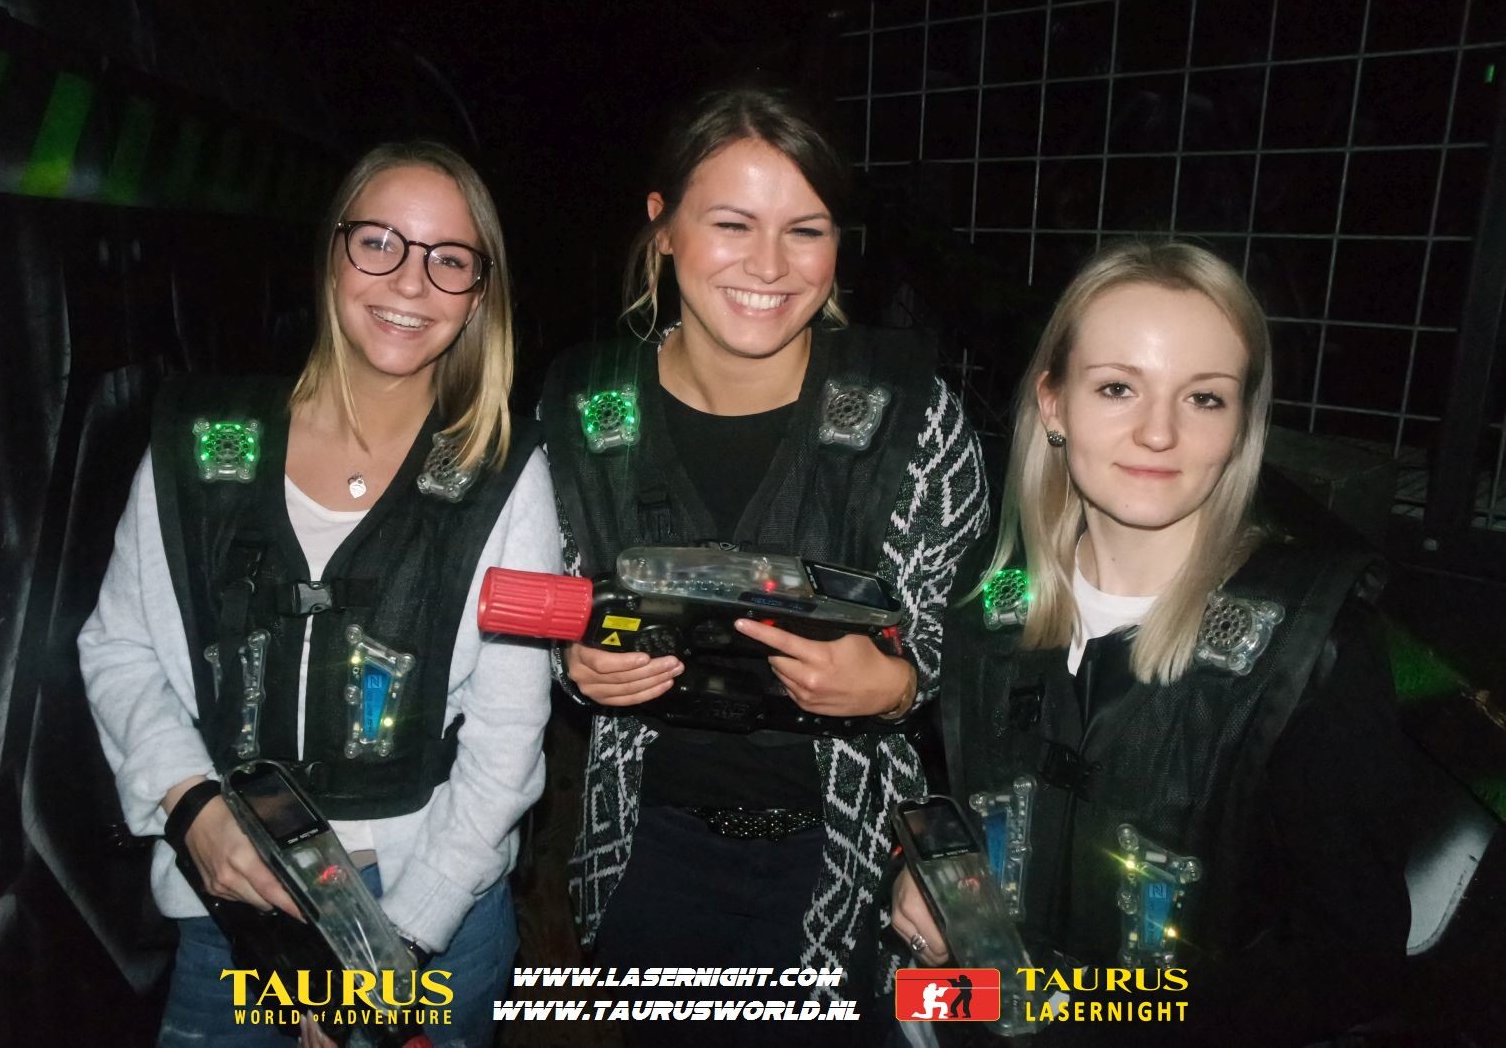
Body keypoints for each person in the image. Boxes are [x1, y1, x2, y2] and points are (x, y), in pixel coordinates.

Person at [80, 141, 560, 1047]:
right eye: (379, 242)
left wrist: (389, 949)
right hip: (231, 905)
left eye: (448, 259)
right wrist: (191, 806)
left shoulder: (506, 475)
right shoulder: (201, 445)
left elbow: (507, 739)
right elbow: (119, 647)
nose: (410, 281)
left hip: (429, 912)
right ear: (332, 253)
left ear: (477, 296)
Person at [539, 87, 990, 1040]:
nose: (770, 265)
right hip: (648, 857)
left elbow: (986, 644)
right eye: (731, 224)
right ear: (663, 227)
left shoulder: (913, 415)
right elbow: (549, 609)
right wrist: (577, 664)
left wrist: (899, 686)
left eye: (805, 230)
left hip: (854, 868)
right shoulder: (580, 408)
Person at [891, 241, 1410, 1044]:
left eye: (1203, 398)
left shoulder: (1309, 646)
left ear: (1239, 427)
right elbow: (946, 790)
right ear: (1053, 405)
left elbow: (1352, 964)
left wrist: (1084, 1014)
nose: (1158, 432)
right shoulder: (989, 601)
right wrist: (925, 875)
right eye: (1117, 388)